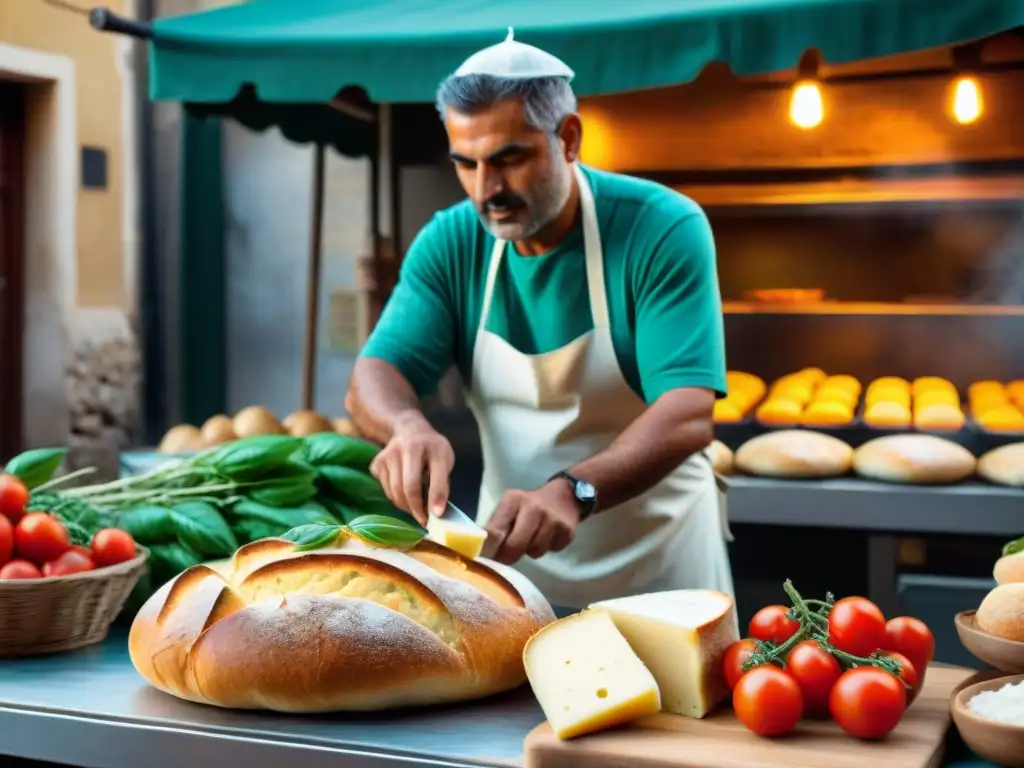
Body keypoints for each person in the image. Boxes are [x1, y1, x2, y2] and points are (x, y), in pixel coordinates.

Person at [347, 30, 733, 607]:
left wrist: (573, 491)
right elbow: (373, 376)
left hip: (660, 577)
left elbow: (686, 415)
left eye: (510, 159)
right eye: (467, 164)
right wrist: (407, 426)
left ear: (569, 139)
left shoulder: (660, 228)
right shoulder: (451, 243)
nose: (487, 190)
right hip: (510, 581)